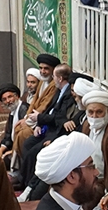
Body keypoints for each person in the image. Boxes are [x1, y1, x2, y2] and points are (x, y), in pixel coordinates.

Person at [17, 64, 80, 199]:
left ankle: (29, 187)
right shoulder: (59, 90)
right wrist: (39, 123)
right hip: (48, 128)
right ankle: (24, 180)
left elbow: (60, 117)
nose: (53, 79)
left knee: (35, 152)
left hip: (55, 134)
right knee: (28, 143)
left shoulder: (69, 96)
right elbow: (51, 110)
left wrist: (41, 120)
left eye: (54, 76)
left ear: (60, 78)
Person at [12, 56, 60, 161]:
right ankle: (17, 162)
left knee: (23, 134)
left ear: (53, 70)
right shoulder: (42, 81)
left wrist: (28, 122)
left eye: (46, 68)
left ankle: (24, 163)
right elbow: (34, 102)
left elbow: (44, 106)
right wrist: (26, 118)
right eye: (41, 68)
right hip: (33, 118)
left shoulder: (53, 85)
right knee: (18, 127)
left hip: (41, 121)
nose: (43, 71)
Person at [0, 83, 28, 165]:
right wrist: (0, 151)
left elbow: (25, 137)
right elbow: (8, 136)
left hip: (22, 148)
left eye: (10, 97)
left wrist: (13, 151)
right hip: (13, 145)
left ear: (17, 96)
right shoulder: (12, 111)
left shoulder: (24, 109)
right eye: (4, 99)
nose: (8, 101)